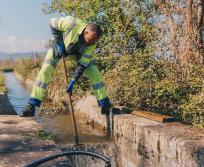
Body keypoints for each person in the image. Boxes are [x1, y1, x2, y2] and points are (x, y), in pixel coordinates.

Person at [21, 16, 112, 117]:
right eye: (89, 40)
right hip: (58, 47)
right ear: (86, 32)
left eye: (93, 42)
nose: (90, 43)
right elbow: (52, 23)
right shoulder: (72, 23)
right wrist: (60, 43)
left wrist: (73, 80)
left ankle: (104, 103)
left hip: (77, 54)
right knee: (45, 70)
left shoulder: (92, 43)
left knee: (94, 72)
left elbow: (82, 64)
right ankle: (31, 106)